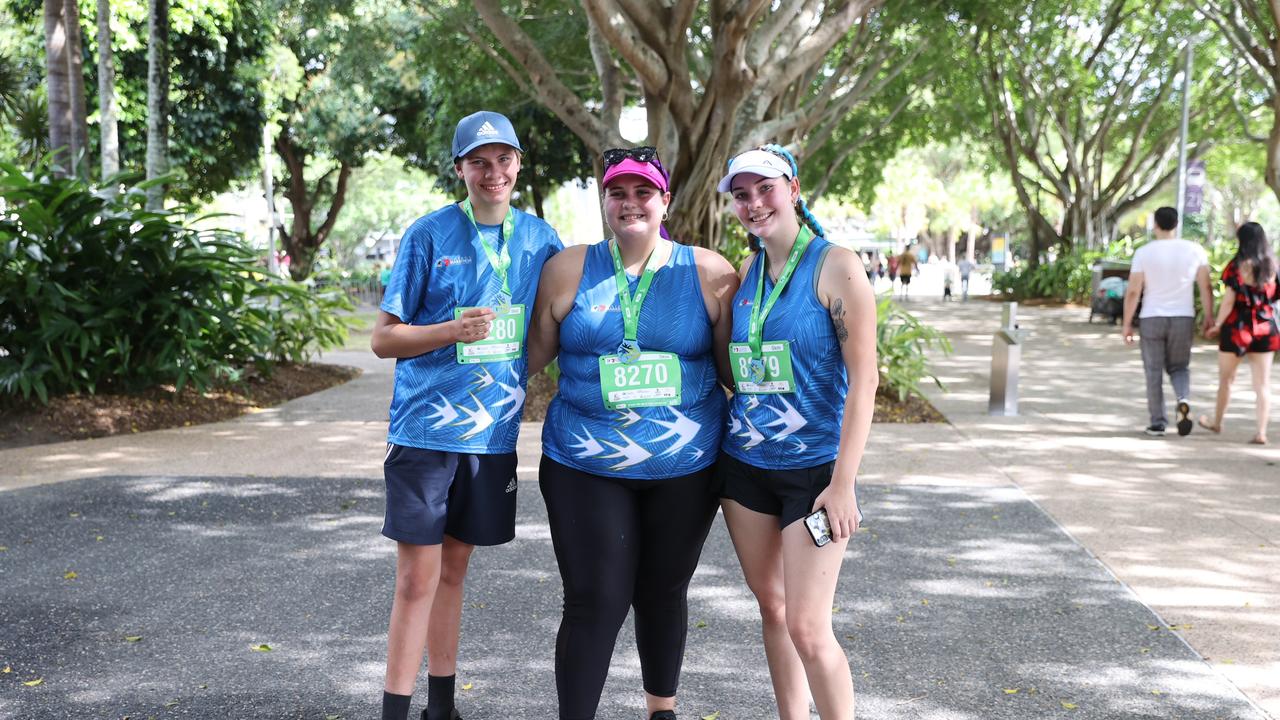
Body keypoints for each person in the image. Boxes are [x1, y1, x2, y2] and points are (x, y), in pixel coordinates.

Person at [526, 146, 738, 720]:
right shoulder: (567, 269)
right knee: (595, 597)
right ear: (604, 201)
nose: (630, 203)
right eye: (617, 193)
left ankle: (661, 711)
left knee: (664, 591)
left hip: (685, 467)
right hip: (584, 462)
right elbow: (527, 360)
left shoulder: (710, 273)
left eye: (643, 192)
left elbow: (732, 372)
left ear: (664, 200)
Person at [370, 110, 563, 720]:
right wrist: (453, 331)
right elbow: (383, 339)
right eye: (479, 161)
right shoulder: (428, 235)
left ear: (518, 165)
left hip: (492, 436)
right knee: (415, 580)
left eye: (503, 159)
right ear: (460, 169)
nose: (493, 171)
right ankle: (394, 712)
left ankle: (442, 708)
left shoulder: (540, 239)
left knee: (453, 572)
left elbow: (550, 329)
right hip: (426, 432)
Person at [716, 145, 877, 720]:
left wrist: (844, 483)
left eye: (766, 188)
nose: (754, 203)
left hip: (814, 475)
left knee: (809, 628)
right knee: (775, 611)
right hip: (746, 470)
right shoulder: (748, 274)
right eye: (742, 194)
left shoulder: (837, 266)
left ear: (794, 189)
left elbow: (865, 382)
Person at [1122, 206, 1214, 437]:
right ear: (1176, 224)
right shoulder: (1195, 250)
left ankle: (1158, 422)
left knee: (1153, 371)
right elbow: (1206, 286)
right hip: (1184, 316)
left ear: (1156, 225)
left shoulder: (1144, 252)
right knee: (1180, 367)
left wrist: (1127, 323)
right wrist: (1209, 316)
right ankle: (1183, 399)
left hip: (1152, 317)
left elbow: (1134, 291)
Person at [1199, 222, 1279, 444]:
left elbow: (1229, 301)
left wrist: (1217, 324)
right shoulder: (1273, 266)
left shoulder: (1236, 266)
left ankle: (1217, 422)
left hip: (1237, 327)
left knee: (1226, 379)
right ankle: (1261, 432)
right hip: (1265, 327)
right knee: (1262, 384)